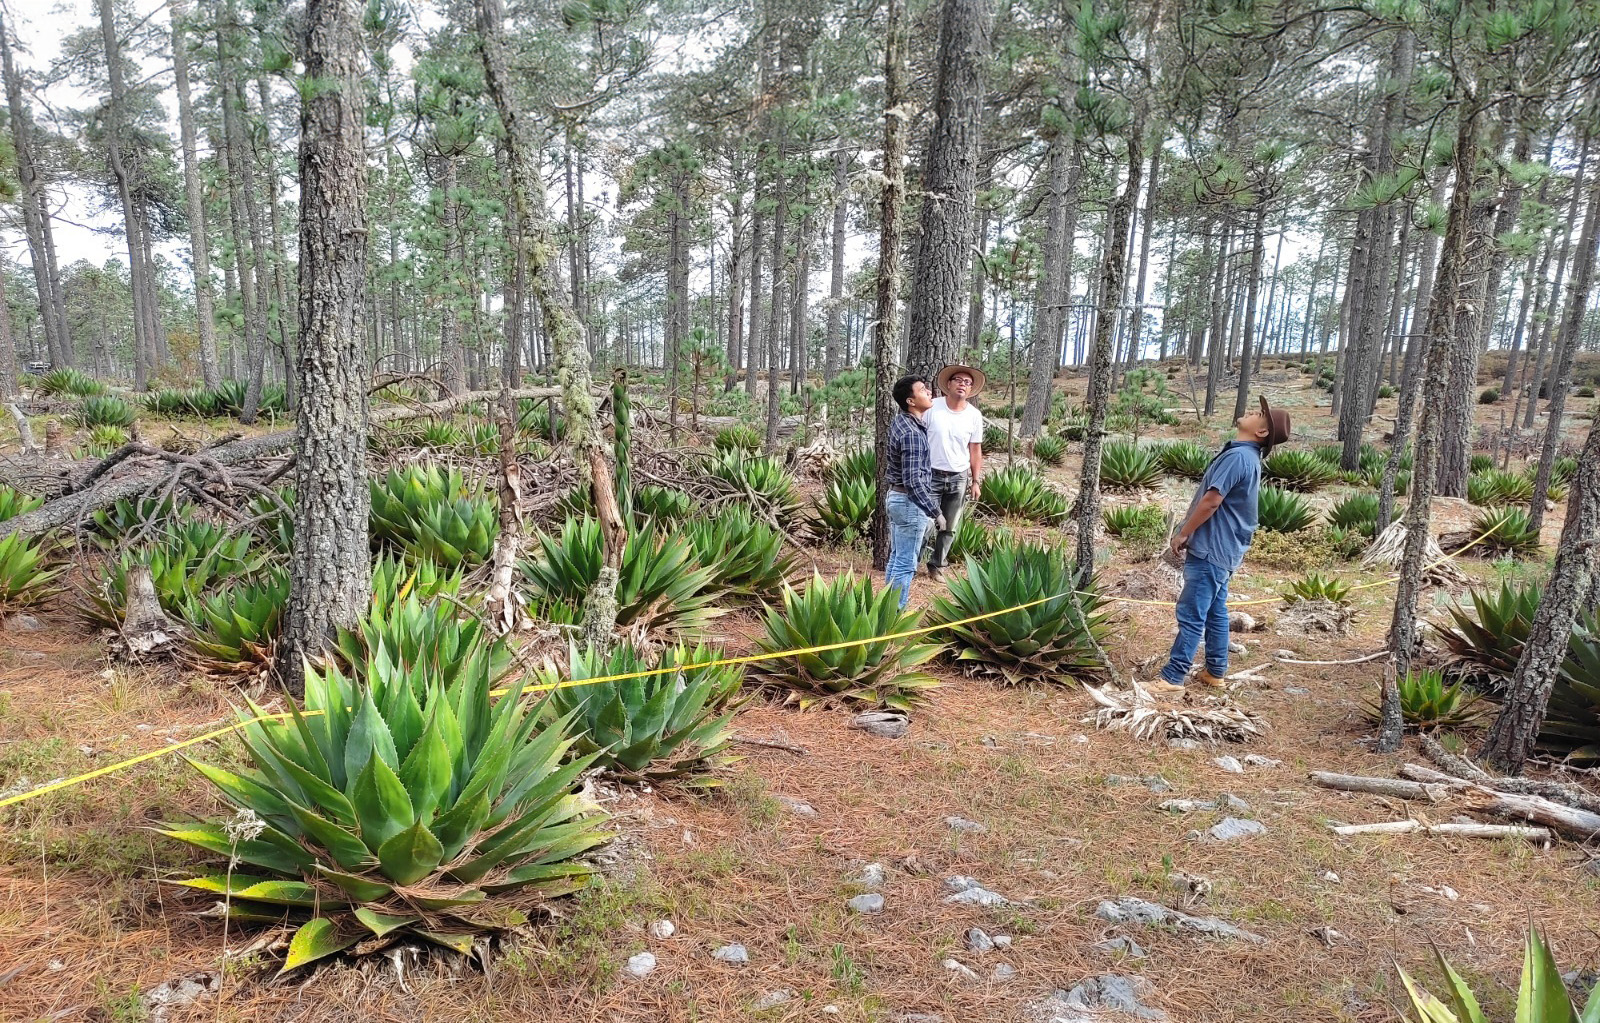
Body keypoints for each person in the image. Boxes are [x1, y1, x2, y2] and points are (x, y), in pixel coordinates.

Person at [1148, 395, 1291, 696]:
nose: (1253, 411)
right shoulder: (1245, 456)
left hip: (1212, 548)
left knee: (1192, 612)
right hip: (1225, 550)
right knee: (1214, 610)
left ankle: (1172, 678)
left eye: (1260, 413)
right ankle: (1215, 671)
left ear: (1262, 432)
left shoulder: (1238, 457)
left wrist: (1183, 533)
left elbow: (1212, 501)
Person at [884, 375, 944, 608]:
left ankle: (886, 609)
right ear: (910, 400)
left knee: (897, 557)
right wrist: (936, 512)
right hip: (909, 504)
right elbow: (913, 481)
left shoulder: (902, 422)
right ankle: (895, 615)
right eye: (922, 390)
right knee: (906, 563)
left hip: (896, 498)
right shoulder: (912, 433)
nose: (929, 392)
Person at [924, 364, 985, 581]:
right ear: (948, 384)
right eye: (958, 380)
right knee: (924, 522)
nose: (962, 385)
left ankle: (937, 566)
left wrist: (975, 480)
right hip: (930, 474)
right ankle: (910, 563)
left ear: (970, 390)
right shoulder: (932, 407)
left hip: (958, 476)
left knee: (949, 525)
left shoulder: (974, 415)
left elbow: (975, 449)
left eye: (967, 383)